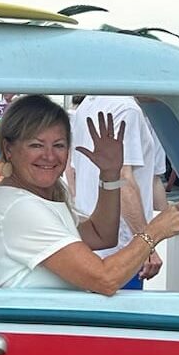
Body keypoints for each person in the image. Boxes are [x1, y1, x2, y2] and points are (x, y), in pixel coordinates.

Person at [0, 94, 179, 294]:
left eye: (59, 145)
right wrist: (153, 233)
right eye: (36, 145)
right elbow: (105, 279)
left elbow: (101, 235)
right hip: (22, 331)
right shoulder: (20, 208)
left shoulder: (46, 192)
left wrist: (109, 174)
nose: (49, 156)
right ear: (9, 149)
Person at [67, 94, 165, 289]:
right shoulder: (127, 109)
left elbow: (72, 171)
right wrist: (146, 243)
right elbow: (122, 178)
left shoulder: (88, 104)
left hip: (90, 245)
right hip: (121, 250)